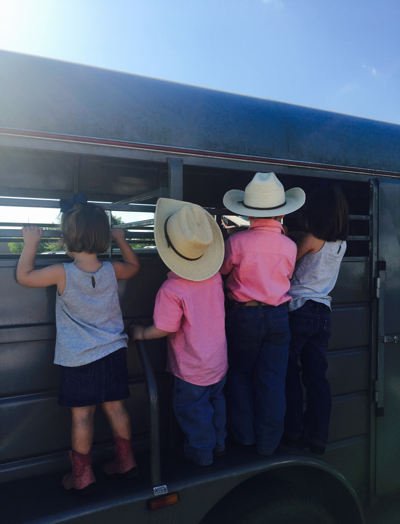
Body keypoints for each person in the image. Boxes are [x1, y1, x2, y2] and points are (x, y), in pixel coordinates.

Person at [16, 194, 140, 493]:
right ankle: (126, 462)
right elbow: (134, 266)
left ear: (66, 238)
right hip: (113, 353)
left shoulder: (62, 272)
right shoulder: (111, 269)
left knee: (82, 415)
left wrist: (31, 244)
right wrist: (121, 239)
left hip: (78, 359)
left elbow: (24, 277)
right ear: (103, 237)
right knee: (117, 409)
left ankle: (83, 477)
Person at [132, 198, 227, 466]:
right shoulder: (214, 276)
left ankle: (201, 455)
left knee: (193, 413)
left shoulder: (172, 289)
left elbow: (165, 327)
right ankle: (219, 445)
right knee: (216, 405)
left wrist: (141, 333)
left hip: (192, 368)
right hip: (218, 362)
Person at [220, 172, 305, 456]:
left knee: (239, 375)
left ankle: (244, 438)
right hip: (279, 315)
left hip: (244, 314)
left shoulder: (236, 242)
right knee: (273, 380)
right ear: (282, 213)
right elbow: (288, 276)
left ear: (249, 212)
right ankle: (269, 443)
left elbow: (222, 271)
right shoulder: (290, 246)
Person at [282, 184, 349, 455]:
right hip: (322, 313)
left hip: (299, 310)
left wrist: (285, 237)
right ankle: (318, 435)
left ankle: (292, 431)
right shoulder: (340, 244)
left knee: (288, 372)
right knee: (317, 378)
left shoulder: (310, 239)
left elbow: (286, 263)